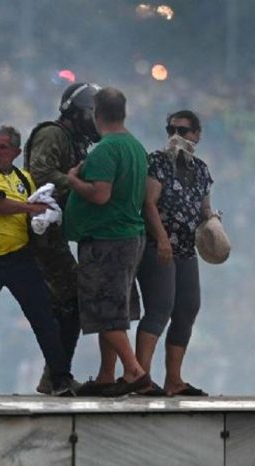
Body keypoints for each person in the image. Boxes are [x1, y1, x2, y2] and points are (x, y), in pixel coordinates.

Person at [0, 125, 77, 397]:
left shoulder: (24, 178)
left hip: (20, 257)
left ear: (16, 152)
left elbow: (39, 203)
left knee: (43, 318)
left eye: (3, 147)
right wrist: (30, 208)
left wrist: (44, 216)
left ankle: (60, 378)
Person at [64, 87, 149, 397]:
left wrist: (74, 182)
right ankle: (105, 375)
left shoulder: (105, 149)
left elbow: (101, 194)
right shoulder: (136, 147)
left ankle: (133, 370)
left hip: (106, 239)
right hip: (129, 236)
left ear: (96, 116)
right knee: (114, 306)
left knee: (103, 308)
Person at [24, 82, 101, 394]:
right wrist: (77, 183)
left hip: (55, 232)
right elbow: (39, 174)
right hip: (42, 233)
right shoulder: (53, 135)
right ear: (78, 112)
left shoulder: (75, 140)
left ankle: (55, 374)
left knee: (68, 303)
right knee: (71, 298)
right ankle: (57, 376)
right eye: (93, 113)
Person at [135, 110, 214, 396]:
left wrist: (214, 227)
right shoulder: (157, 162)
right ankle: (140, 377)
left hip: (186, 248)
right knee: (159, 308)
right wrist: (162, 238)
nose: (176, 136)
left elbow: (204, 209)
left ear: (196, 134)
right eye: (171, 130)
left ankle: (174, 379)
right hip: (159, 247)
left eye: (182, 130)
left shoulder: (201, 170)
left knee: (187, 308)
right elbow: (149, 202)